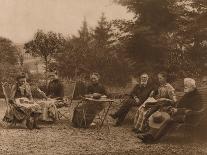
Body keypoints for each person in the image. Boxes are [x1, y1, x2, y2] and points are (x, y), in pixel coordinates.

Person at [137, 78, 203, 143]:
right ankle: (150, 134)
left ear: (193, 87)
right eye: (184, 85)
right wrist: (173, 109)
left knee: (169, 120)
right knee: (162, 115)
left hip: (190, 117)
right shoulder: (188, 94)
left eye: (186, 86)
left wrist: (178, 110)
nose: (184, 87)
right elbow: (179, 105)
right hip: (181, 114)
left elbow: (194, 111)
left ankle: (154, 139)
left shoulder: (197, 97)